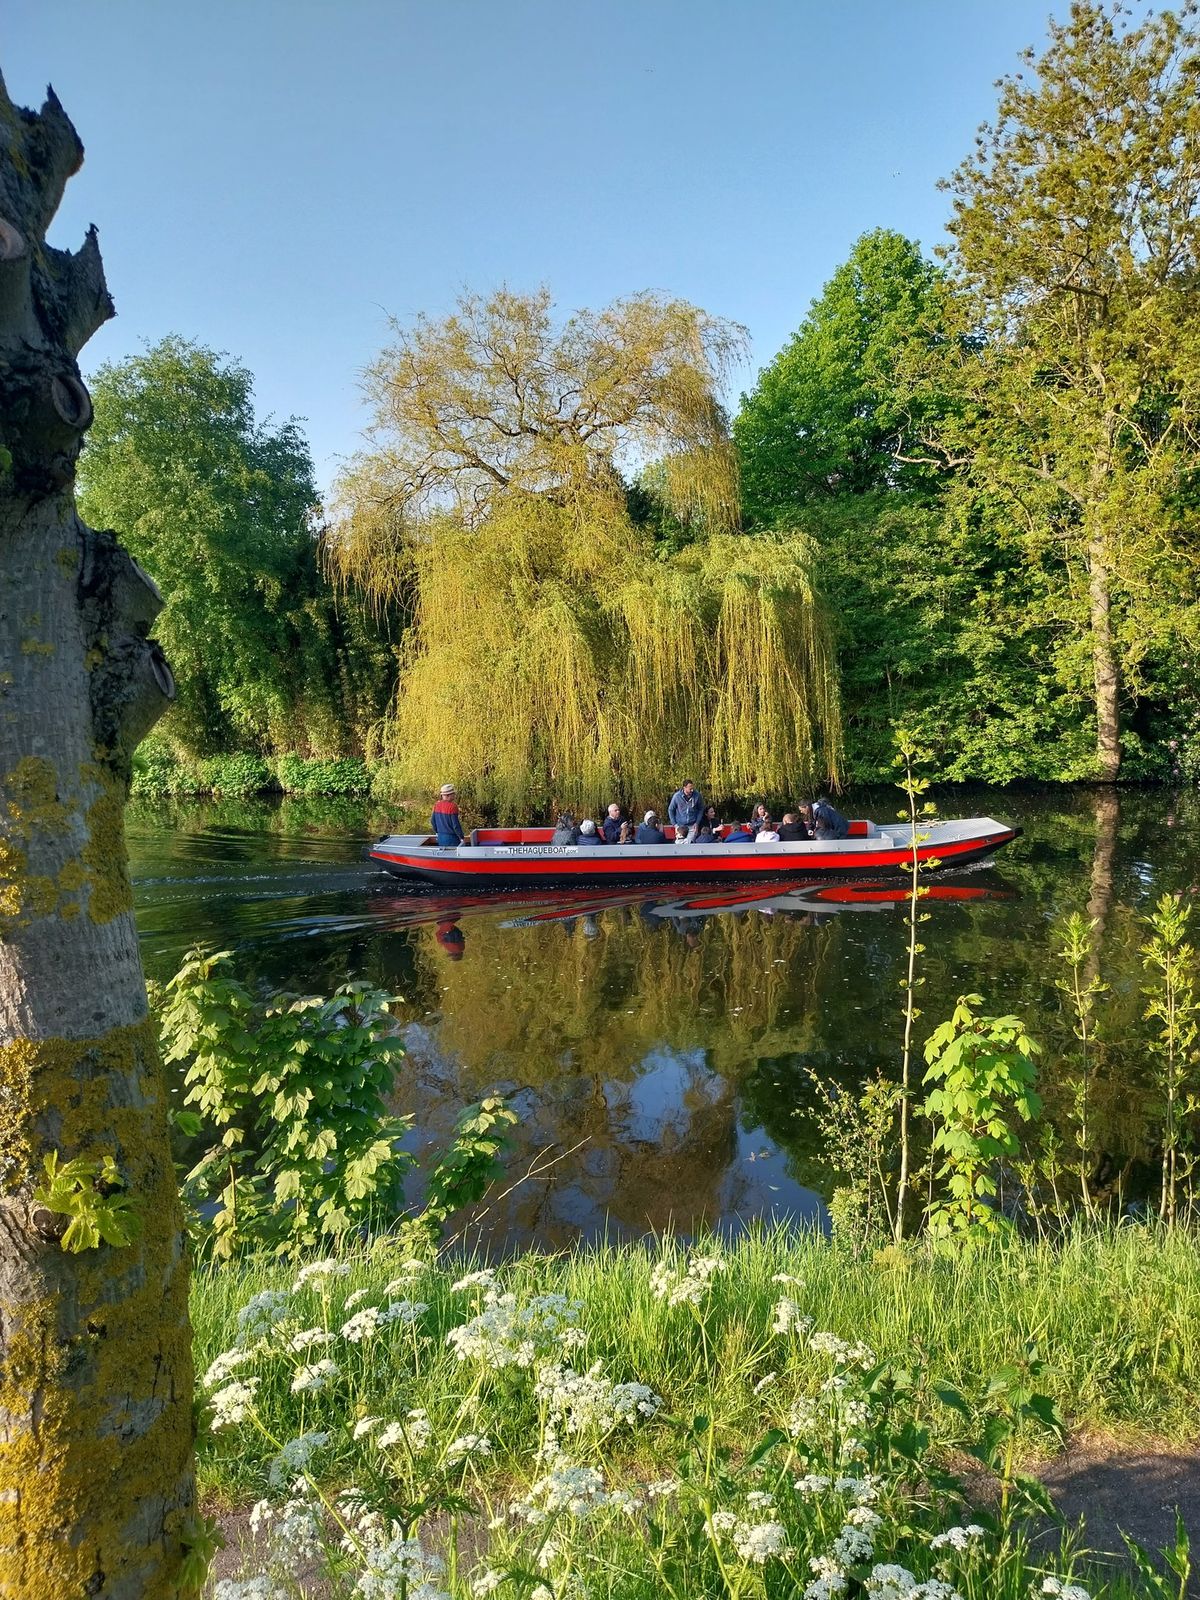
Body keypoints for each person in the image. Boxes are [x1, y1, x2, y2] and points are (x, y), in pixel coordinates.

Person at [667, 779, 705, 844]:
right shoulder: (677, 796)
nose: (692, 790)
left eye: (692, 788)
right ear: (684, 788)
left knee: (689, 843)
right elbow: (671, 810)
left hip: (692, 825)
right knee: (680, 843)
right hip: (680, 826)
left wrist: (697, 822)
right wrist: (675, 825)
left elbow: (701, 809)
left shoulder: (697, 795)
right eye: (690, 789)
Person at [432, 783, 465, 848]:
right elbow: (456, 826)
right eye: (453, 794)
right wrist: (461, 837)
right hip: (452, 839)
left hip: (440, 837)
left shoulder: (436, 805)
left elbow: (432, 821)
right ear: (449, 795)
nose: (454, 795)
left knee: (444, 856)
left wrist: (437, 831)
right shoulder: (453, 806)